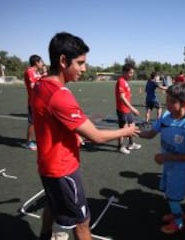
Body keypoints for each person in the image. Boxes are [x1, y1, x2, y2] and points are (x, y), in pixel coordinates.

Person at [31, 32, 139, 240]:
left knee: (53, 205)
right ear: (63, 61)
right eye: (80, 63)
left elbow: (50, 120)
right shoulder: (60, 95)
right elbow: (97, 137)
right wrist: (126, 131)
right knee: (82, 223)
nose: (84, 69)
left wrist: (73, 135)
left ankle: (45, 236)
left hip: (47, 165)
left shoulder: (40, 84)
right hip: (62, 170)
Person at [139, 83, 185, 234]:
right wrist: (133, 131)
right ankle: (177, 214)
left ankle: (179, 223)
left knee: (174, 198)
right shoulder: (166, 117)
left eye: (172, 101)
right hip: (168, 167)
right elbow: (150, 134)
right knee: (169, 195)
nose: (167, 104)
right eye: (167, 100)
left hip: (180, 171)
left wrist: (167, 156)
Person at [115, 63, 141, 154]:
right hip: (122, 109)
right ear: (124, 72)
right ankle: (120, 146)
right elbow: (122, 97)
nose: (132, 75)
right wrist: (133, 108)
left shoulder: (125, 81)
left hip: (127, 109)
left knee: (132, 126)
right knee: (122, 129)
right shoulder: (121, 81)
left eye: (132, 73)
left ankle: (131, 143)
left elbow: (125, 95)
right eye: (130, 73)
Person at [24, 55, 47, 150]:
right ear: (36, 62)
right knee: (32, 123)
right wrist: (43, 76)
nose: (42, 63)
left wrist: (44, 74)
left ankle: (39, 139)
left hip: (40, 101)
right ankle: (29, 142)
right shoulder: (30, 71)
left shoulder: (36, 72)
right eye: (41, 61)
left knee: (41, 122)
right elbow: (34, 86)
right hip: (33, 102)